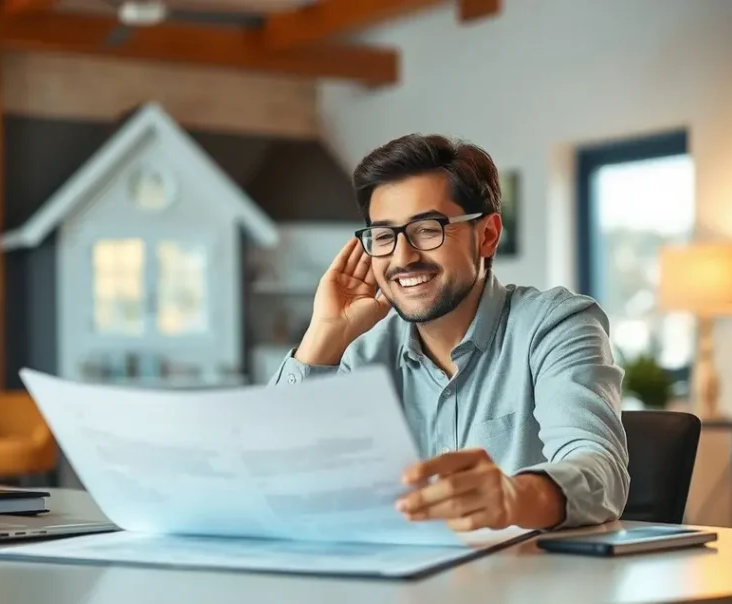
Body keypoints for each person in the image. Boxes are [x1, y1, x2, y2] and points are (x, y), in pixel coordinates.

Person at [269, 134, 629, 532]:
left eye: (427, 229)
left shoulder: (555, 325)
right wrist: (323, 336)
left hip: (530, 584)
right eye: (385, 237)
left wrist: (514, 497)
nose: (403, 258)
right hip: (396, 584)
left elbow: (601, 472)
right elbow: (272, 478)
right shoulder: (361, 352)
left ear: (488, 235)